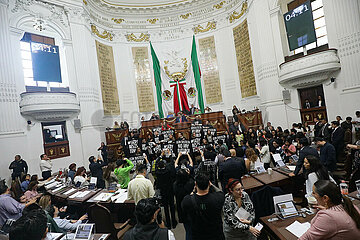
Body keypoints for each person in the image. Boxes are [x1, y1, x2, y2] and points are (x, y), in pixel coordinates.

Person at [182, 173, 225, 240]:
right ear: (209, 184)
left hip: (198, 235)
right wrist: (211, 185)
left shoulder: (187, 201)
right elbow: (220, 192)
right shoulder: (218, 198)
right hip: (216, 234)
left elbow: (185, 209)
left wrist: (193, 191)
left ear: (195, 184)